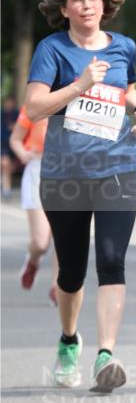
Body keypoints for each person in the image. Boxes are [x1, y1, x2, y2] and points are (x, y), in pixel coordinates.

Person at [24, 0, 136, 391]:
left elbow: (126, 88)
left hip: (119, 168)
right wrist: (79, 85)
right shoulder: (52, 49)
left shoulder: (124, 47)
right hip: (66, 174)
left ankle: (106, 355)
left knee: (112, 261)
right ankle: (68, 340)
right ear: (64, 9)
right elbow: (35, 108)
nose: (87, 4)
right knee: (72, 272)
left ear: (105, 5)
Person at [9, 105, 59, 304]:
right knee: (41, 242)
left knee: (63, 237)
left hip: (66, 171)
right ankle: (33, 259)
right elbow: (15, 139)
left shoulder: (74, 103)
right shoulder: (34, 106)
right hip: (37, 170)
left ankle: (58, 288)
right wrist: (21, 152)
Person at [1, 94, 19, 198]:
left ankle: (6, 188)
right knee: (5, 163)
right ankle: (6, 189)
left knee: (7, 166)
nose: (8, 104)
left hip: (11, 146)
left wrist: (15, 127)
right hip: (3, 145)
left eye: (10, 102)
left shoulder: (17, 115)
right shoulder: (1, 114)